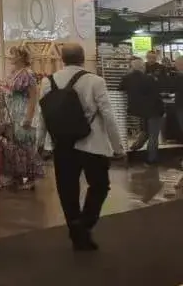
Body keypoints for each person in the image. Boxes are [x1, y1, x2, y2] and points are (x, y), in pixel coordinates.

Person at [37, 43, 124, 251]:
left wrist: (41, 143)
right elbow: (108, 115)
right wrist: (118, 147)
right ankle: (84, 224)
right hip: (93, 143)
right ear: (83, 58)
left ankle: (76, 231)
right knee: (100, 186)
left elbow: (43, 116)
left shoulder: (48, 82)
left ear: (62, 59)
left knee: (67, 189)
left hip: (62, 144)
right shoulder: (95, 81)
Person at [3, 46, 43, 190]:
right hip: (12, 111)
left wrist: (29, 117)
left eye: (13, 55)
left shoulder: (28, 74)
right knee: (13, 145)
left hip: (23, 111)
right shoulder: (13, 72)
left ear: (21, 57)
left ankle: (31, 178)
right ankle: (16, 176)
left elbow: (33, 97)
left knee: (27, 145)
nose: (10, 57)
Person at [121, 57, 163, 164]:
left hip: (138, 111)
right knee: (153, 135)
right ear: (143, 67)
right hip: (154, 110)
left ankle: (134, 148)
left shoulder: (126, 78)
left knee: (146, 131)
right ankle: (151, 159)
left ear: (132, 67)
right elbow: (157, 95)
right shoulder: (149, 78)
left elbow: (121, 91)